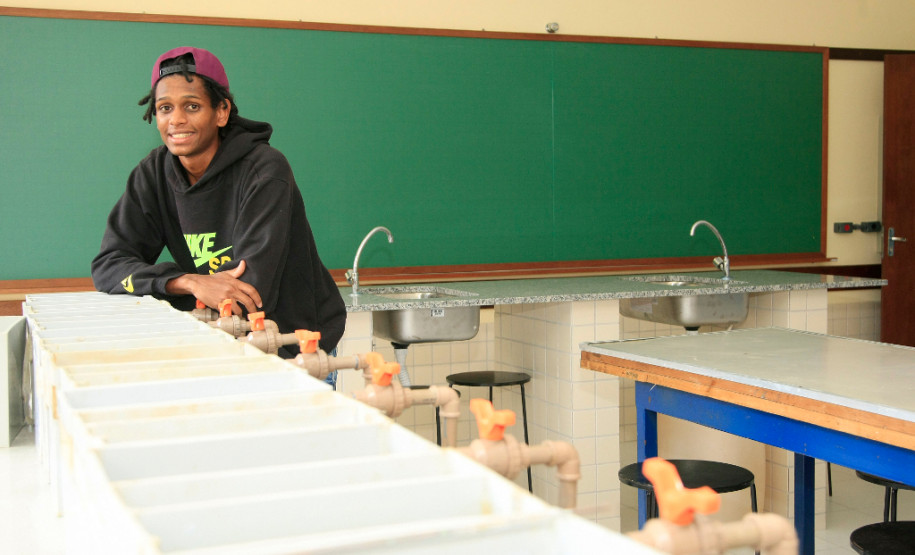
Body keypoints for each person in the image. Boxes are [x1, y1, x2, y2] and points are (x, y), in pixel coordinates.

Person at [91, 46, 346, 358]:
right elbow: (108, 267)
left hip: (295, 349)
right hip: (224, 347)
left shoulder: (264, 169)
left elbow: (248, 293)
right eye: (165, 108)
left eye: (193, 106)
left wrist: (173, 283)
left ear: (222, 111)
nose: (177, 120)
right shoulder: (153, 174)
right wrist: (187, 282)